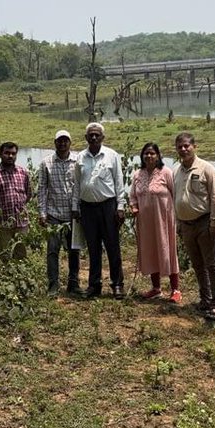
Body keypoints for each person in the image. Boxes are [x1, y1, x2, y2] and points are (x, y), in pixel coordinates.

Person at [172, 131, 215, 320]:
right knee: (197, 264)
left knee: (212, 264)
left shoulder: (206, 169)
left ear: (194, 146)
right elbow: (175, 198)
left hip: (204, 222)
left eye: (187, 146)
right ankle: (205, 299)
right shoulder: (176, 170)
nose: (184, 149)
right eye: (180, 147)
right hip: (186, 225)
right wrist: (178, 223)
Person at [72, 121, 125, 298]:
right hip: (87, 208)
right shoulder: (80, 157)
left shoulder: (111, 155)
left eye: (97, 135)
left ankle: (117, 284)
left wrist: (121, 206)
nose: (94, 137)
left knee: (112, 246)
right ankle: (94, 286)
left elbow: (119, 182)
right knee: (93, 248)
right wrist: (75, 207)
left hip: (108, 206)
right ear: (86, 138)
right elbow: (77, 185)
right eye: (90, 135)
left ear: (102, 137)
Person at [129, 142, 181, 303]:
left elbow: (175, 194)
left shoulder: (166, 172)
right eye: (146, 153)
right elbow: (132, 196)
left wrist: (178, 218)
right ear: (142, 156)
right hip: (145, 221)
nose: (149, 156)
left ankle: (175, 289)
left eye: (152, 153)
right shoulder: (138, 174)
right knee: (150, 251)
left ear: (158, 155)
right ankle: (156, 288)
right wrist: (134, 207)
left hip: (164, 220)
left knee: (168, 251)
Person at [39, 129, 81, 295]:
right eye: (59, 141)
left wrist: (78, 209)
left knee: (74, 250)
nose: (62, 144)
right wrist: (42, 213)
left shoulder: (78, 160)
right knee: (52, 251)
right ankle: (53, 284)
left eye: (65, 141)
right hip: (53, 215)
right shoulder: (46, 163)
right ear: (55, 143)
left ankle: (73, 283)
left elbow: (80, 185)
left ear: (70, 143)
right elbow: (42, 189)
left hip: (73, 214)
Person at [0, 141, 32, 260]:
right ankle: (6, 278)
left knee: (22, 257)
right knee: (4, 257)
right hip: (3, 224)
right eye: (7, 153)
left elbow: (28, 194)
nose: (10, 156)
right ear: (0, 154)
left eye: (13, 153)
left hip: (21, 223)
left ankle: (21, 278)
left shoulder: (23, 173)